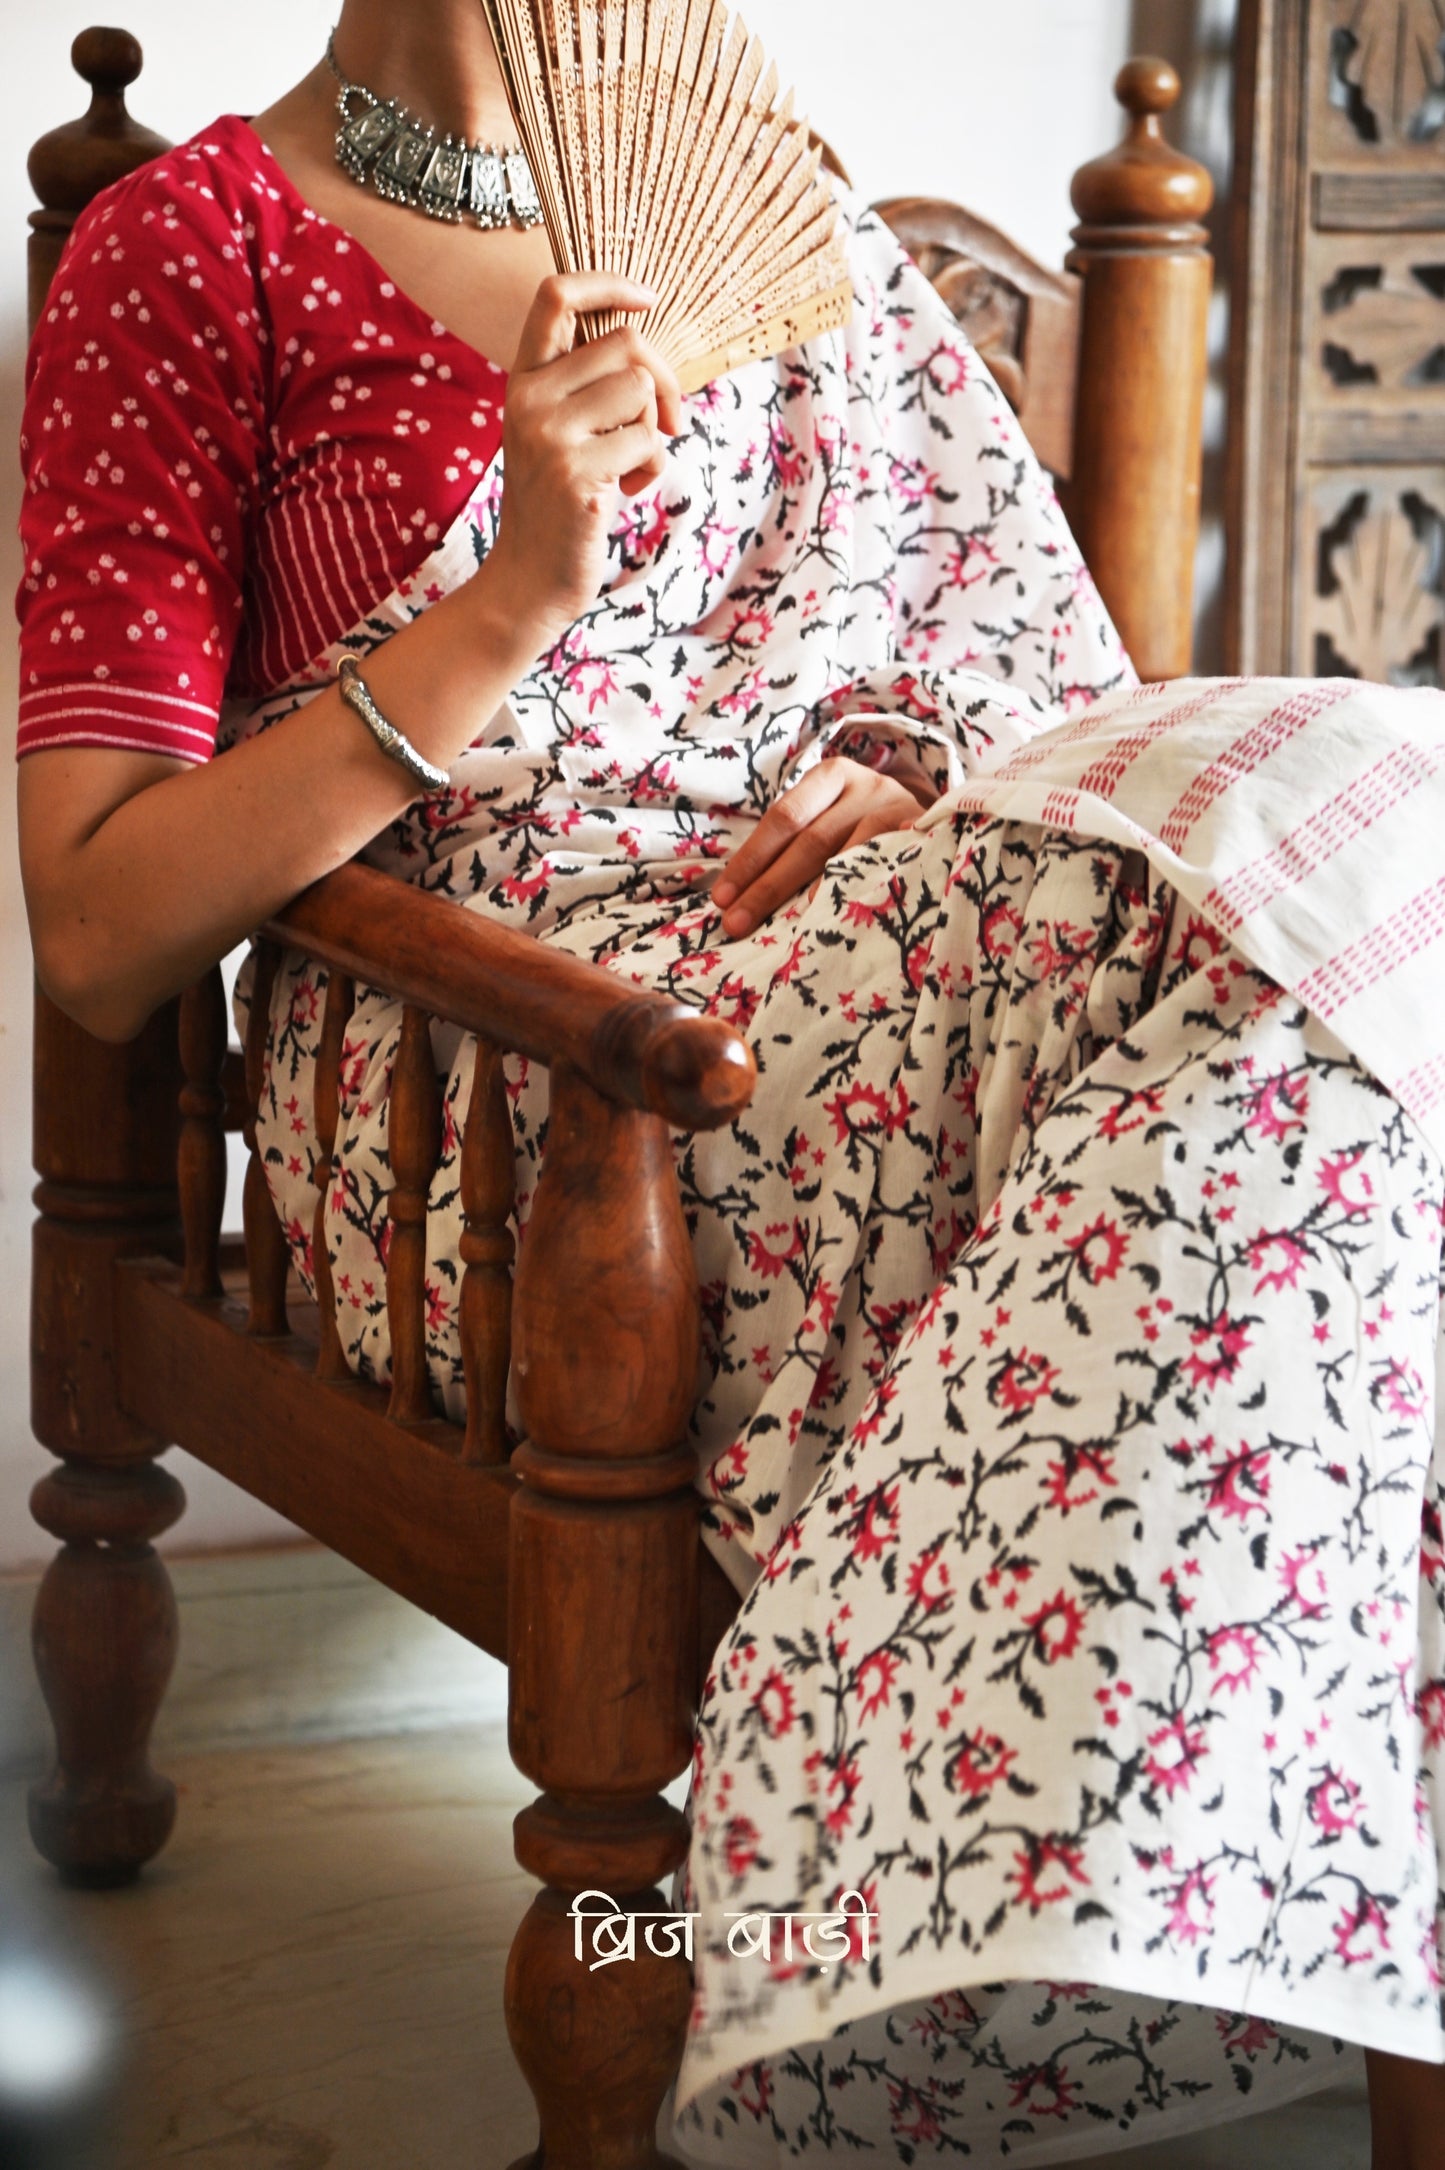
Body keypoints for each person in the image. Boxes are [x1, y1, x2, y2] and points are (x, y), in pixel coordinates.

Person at [15, 4, 1445, 2162]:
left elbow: (1030, 693)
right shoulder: (189, 241)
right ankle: (988, 1888)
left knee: (1348, 905)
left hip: (874, 947)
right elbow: (100, 929)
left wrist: (906, 782)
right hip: (515, 1060)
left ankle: (1165, 1857)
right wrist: (511, 596)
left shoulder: (792, 219)